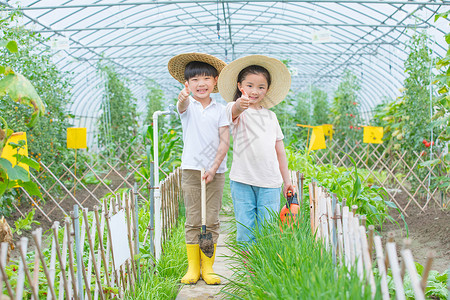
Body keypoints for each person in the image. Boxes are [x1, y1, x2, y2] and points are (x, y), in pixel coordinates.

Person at [217, 55, 294, 246]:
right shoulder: (234, 110)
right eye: (249, 86)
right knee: (245, 226)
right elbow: (233, 112)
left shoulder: (271, 116)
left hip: (270, 181)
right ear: (240, 86)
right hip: (242, 179)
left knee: (268, 227)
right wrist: (239, 105)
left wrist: (287, 181)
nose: (255, 91)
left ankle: (263, 267)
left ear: (267, 89)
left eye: (261, 87)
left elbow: (280, 152)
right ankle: (248, 267)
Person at [167, 53, 229, 285]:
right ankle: (193, 268)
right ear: (186, 84)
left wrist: (213, 168)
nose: (200, 84)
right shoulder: (187, 106)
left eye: (206, 78)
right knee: (193, 220)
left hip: (216, 171)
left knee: (211, 220)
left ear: (214, 81)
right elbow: (181, 105)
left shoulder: (221, 110)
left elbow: (224, 142)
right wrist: (183, 97)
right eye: (194, 80)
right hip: (191, 169)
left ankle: (208, 268)